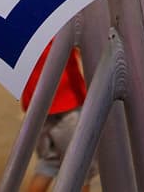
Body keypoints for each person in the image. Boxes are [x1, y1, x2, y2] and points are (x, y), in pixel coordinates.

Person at [20, 44, 93, 192]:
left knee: (48, 163)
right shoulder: (55, 24)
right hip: (67, 103)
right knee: (79, 170)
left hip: (36, 107)